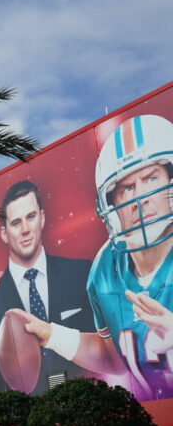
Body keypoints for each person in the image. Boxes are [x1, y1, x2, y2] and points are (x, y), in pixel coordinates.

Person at [18, 114, 173, 401]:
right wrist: (51, 334)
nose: (142, 197)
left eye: (151, 178)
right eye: (127, 187)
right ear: (110, 202)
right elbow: (111, 355)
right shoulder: (104, 270)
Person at [0, 180, 94, 397]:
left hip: (86, 409)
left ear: (42, 218)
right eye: (16, 222)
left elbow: (103, 346)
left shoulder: (81, 274)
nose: (25, 230)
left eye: (31, 217)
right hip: (29, 423)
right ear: (4, 233)